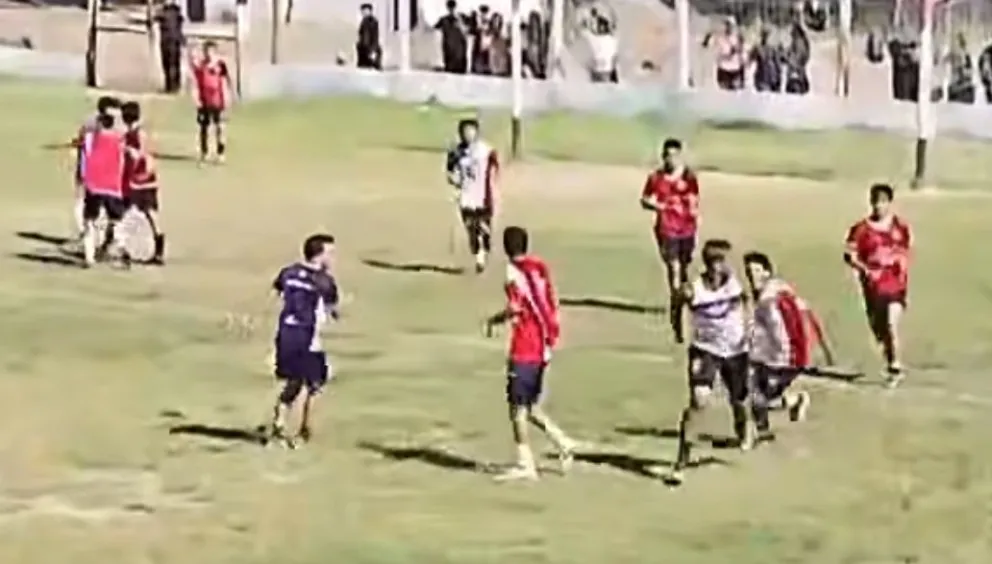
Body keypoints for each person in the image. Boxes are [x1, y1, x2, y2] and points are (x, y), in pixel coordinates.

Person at [484, 226, 576, 481]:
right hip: (544, 345)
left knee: (517, 408)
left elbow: (515, 307)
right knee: (530, 405)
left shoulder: (513, 272)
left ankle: (525, 464)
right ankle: (563, 442)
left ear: (505, 248)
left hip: (526, 345)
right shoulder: (539, 268)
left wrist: (494, 319)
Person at [666, 239, 749, 486]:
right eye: (715, 262)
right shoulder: (693, 290)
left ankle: (743, 430)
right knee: (699, 400)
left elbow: (748, 301)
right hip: (706, 350)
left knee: (739, 399)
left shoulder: (736, 284)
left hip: (736, 350)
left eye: (723, 261)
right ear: (707, 264)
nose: (720, 267)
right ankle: (681, 462)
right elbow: (676, 304)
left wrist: (751, 328)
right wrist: (678, 330)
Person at [744, 251, 833, 443]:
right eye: (749, 272)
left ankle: (796, 400)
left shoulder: (774, 296)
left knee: (760, 398)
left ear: (767, 272)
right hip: (768, 354)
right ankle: (763, 429)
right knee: (754, 392)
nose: (752, 277)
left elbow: (802, 317)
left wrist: (821, 347)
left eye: (756, 271)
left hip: (785, 356)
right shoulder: (767, 294)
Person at [264, 234, 340, 448]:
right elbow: (332, 308)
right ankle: (304, 433)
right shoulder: (324, 281)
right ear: (320, 255)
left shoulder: (288, 272)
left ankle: (279, 425)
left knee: (294, 381)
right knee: (315, 385)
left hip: (286, 335)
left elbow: (275, 293)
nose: (332, 258)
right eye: (330, 253)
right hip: (308, 338)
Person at [844, 183, 912, 388]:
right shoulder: (860, 229)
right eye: (875, 202)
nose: (878, 206)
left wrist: (901, 265)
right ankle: (890, 357)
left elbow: (905, 251)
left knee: (891, 324)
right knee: (880, 330)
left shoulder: (900, 227)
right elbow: (849, 255)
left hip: (895, 285)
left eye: (882, 202)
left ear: (889, 203)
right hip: (873, 288)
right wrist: (864, 269)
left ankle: (895, 366)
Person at [639, 138, 700, 343]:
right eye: (667, 156)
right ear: (663, 156)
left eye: (674, 155)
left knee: (683, 270)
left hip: (687, 229)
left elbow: (694, 199)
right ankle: (677, 313)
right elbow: (644, 199)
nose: (671, 159)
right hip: (667, 229)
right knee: (674, 269)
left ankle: (680, 301)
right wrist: (659, 206)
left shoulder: (689, 176)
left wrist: (691, 209)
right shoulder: (656, 178)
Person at [446, 118, 499, 273]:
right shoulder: (456, 152)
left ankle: (483, 251)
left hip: (484, 196)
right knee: (471, 229)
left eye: (471, 131)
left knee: (484, 228)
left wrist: (493, 183)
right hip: (466, 197)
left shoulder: (486, 150)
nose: (468, 134)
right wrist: (454, 180)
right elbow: (450, 171)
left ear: (476, 132)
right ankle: (478, 255)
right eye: (465, 131)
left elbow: (496, 166)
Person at [80, 112, 129, 269]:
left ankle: (89, 257)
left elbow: (84, 154)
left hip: (94, 185)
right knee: (116, 220)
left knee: (89, 221)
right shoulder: (120, 140)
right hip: (113, 186)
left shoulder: (91, 138)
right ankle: (120, 249)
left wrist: (82, 176)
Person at [120, 101, 166, 265]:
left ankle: (116, 245)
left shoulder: (137, 134)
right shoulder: (137, 132)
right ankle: (158, 250)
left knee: (122, 212)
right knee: (148, 214)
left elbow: (140, 154)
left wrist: (126, 149)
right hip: (145, 180)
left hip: (139, 180)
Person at [72, 95, 120, 241]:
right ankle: (87, 230)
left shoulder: (92, 122)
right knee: (87, 200)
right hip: (93, 168)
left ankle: (89, 230)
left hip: (95, 168)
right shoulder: (100, 124)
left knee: (89, 200)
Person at [189, 40, 234, 164]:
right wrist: (196, 99)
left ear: (215, 52)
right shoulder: (201, 66)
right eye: (206, 51)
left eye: (210, 52)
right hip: (204, 102)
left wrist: (228, 96)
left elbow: (226, 80)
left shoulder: (220, 65)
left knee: (220, 127)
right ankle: (205, 152)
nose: (208, 54)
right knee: (204, 128)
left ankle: (221, 152)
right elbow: (194, 78)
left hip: (218, 101)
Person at [155, 0, 185, 94]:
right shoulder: (162, 11)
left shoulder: (176, 11)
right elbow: (152, 20)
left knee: (174, 64)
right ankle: (168, 85)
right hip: (165, 40)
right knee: (166, 64)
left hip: (174, 40)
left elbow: (180, 25)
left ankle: (175, 85)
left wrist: (181, 39)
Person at [436, 0, 468, 74]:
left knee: (458, 67)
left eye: (453, 8)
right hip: (449, 48)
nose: (452, 10)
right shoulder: (444, 19)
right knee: (450, 68)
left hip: (458, 49)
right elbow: (436, 29)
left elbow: (467, 31)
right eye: (450, 8)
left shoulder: (461, 18)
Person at [749, 28, 782, 93]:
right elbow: (751, 58)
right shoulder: (758, 47)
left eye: (766, 35)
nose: (765, 38)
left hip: (771, 76)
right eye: (764, 35)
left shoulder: (772, 48)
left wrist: (778, 77)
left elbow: (777, 63)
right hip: (761, 76)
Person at [356, 3, 382, 70]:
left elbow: (374, 37)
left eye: (365, 11)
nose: (363, 12)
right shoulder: (364, 21)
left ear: (369, 11)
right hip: (366, 50)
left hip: (370, 49)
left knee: (370, 68)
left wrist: (372, 50)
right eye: (362, 11)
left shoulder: (371, 21)